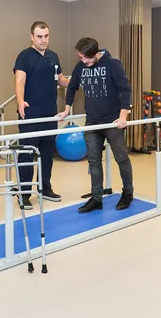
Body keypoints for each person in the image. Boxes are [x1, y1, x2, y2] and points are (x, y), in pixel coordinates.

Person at [57, 37, 134, 213]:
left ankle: (128, 193)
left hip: (112, 121)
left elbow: (125, 89)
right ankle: (96, 198)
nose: (84, 61)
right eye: (81, 57)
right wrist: (67, 108)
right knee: (93, 161)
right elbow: (72, 86)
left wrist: (123, 116)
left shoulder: (112, 64)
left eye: (87, 58)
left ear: (96, 53)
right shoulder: (80, 67)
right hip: (92, 121)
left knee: (121, 158)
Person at [12, 21, 70, 209]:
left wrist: (75, 81)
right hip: (30, 114)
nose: (43, 40)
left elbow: (60, 79)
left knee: (47, 154)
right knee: (27, 155)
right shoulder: (24, 56)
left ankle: (45, 188)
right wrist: (20, 101)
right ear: (32, 37)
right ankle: (23, 193)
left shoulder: (53, 56)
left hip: (49, 114)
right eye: (39, 37)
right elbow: (20, 80)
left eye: (46, 36)